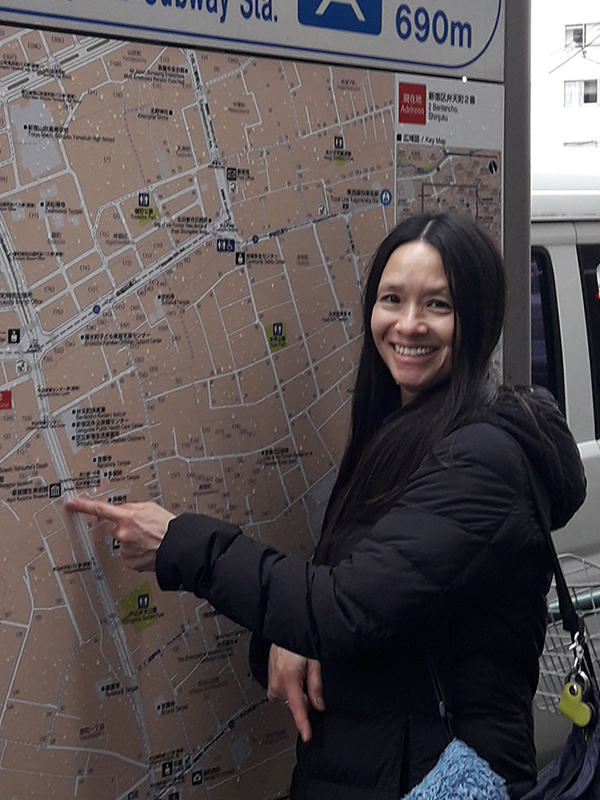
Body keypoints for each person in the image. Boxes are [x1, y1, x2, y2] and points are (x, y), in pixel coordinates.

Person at [66, 213, 586, 800]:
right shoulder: (402, 431)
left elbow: (345, 608)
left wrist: (180, 542)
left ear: (479, 318)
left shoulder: (483, 460)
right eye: (392, 299)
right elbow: (368, 597)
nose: (408, 324)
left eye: (438, 305)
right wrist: (293, 638)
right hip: (378, 764)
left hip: (430, 777)